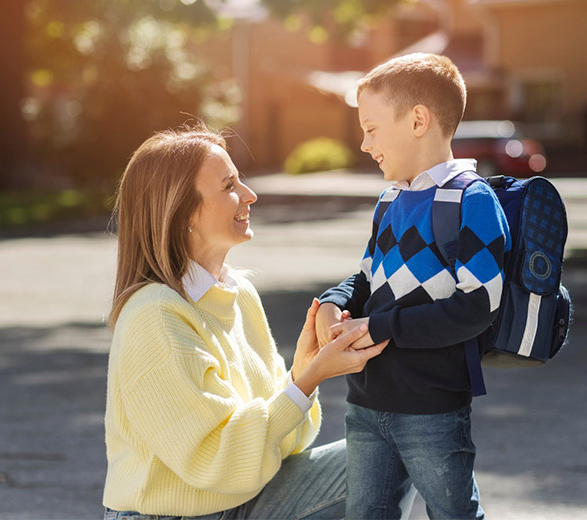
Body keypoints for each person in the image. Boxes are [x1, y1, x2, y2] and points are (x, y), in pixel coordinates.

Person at [102, 126, 388, 520]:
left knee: (395, 452)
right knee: (386, 461)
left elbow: (284, 445)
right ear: (183, 212)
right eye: (229, 185)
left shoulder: (237, 293)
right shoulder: (155, 316)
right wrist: (306, 382)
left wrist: (301, 374)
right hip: (175, 515)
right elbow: (214, 461)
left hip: (241, 499)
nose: (250, 195)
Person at [315, 53, 511, 519]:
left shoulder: (471, 199)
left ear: (418, 120)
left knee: (453, 513)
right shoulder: (389, 200)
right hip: (366, 404)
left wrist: (380, 327)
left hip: (432, 409)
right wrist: (334, 299)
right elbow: (365, 277)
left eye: (372, 128)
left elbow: (477, 305)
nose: (364, 143)